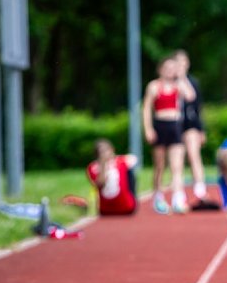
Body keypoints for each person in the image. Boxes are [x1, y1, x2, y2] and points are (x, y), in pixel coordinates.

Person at [142, 55, 196, 215]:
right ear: (160, 70)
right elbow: (146, 109)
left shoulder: (179, 85)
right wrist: (148, 129)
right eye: (167, 68)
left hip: (175, 126)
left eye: (173, 69)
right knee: (159, 165)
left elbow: (190, 96)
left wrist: (182, 76)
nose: (170, 71)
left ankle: (177, 199)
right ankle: (158, 197)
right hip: (160, 125)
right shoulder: (154, 86)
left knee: (177, 166)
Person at [174, 50, 208, 201]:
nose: (181, 65)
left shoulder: (193, 82)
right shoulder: (168, 81)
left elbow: (197, 104)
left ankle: (199, 188)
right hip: (174, 124)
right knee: (178, 159)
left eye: (183, 62)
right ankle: (178, 191)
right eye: (178, 62)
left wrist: (201, 129)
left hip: (191, 123)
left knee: (194, 155)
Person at [86, 139, 138, 216]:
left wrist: (114, 160)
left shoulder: (121, 162)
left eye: (107, 150)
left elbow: (134, 159)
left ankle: (132, 200)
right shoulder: (93, 167)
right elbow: (100, 184)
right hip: (106, 209)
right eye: (102, 152)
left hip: (127, 207)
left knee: (130, 172)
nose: (105, 154)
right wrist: (103, 165)